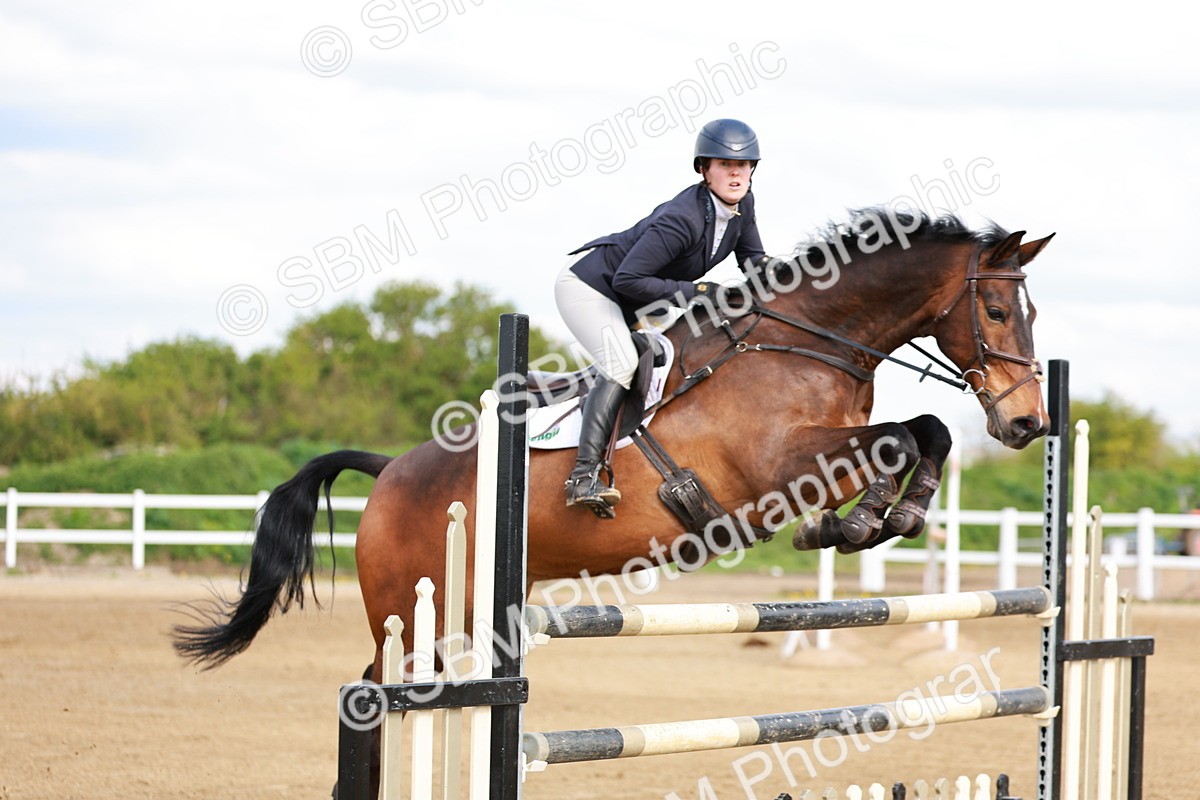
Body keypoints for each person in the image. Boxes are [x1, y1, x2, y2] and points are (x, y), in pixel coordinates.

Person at [555, 118, 768, 519]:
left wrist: (789, 280)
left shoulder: (743, 205)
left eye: (744, 165)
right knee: (621, 363)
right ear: (704, 169)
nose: (736, 173)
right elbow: (628, 279)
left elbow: (753, 260)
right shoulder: (682, 218)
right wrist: (700, 292)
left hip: (635, 301)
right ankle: (583, 477)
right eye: (725, 165)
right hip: (591, 290)